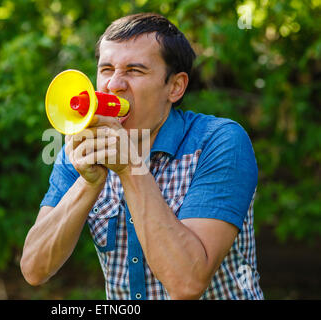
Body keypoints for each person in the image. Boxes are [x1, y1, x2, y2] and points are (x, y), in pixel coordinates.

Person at [21, 12, 264, 300]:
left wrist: (130, 168)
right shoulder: (82, 148)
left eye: (134, 71)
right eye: (107, 69)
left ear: (175, 87)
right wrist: (88, 183)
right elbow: (35, 269)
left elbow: (187, 283)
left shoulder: (219, 141)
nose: (114, 85)